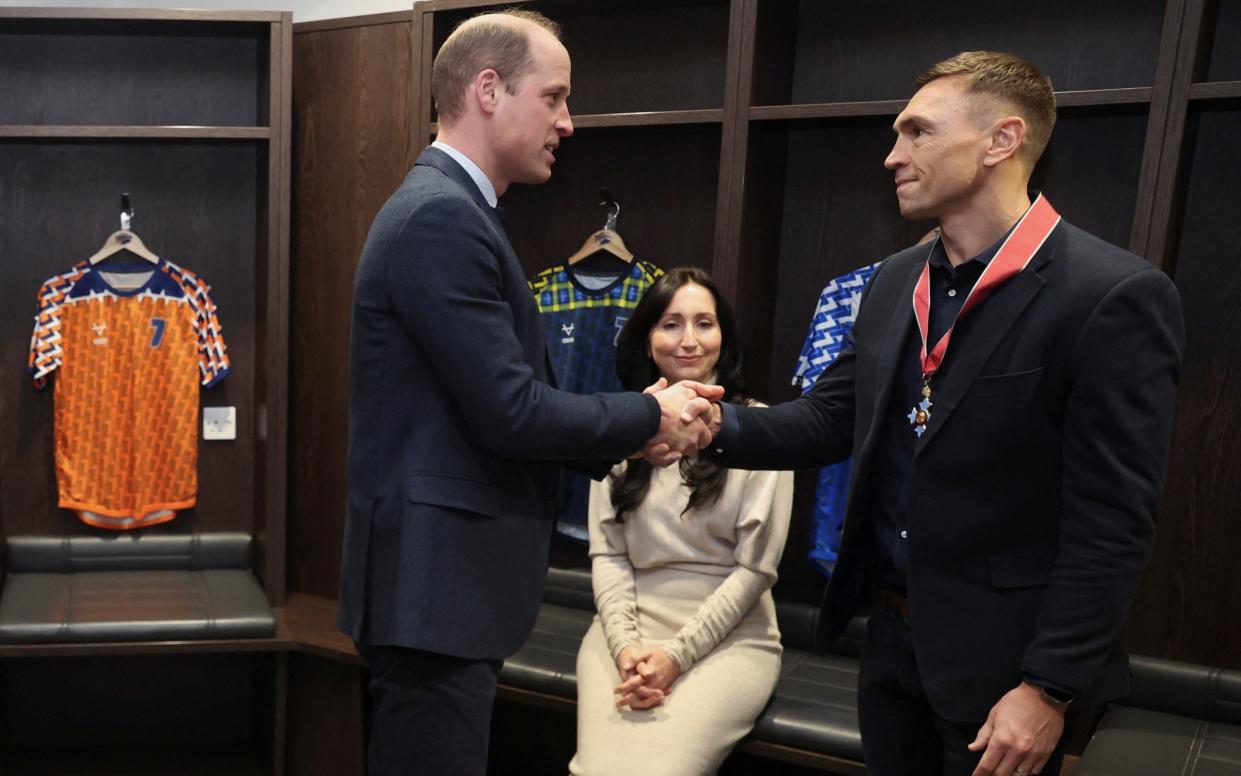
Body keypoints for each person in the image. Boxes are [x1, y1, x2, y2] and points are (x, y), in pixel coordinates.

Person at [702, 51, 1184, 776]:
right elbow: (827, 419)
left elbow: (1112, 521)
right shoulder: (896, 282)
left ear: (1001, 141)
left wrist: (1047, 689)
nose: (893, 155)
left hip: (1007, 674)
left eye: (917, 133)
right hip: (890, 645)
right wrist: (701, 425)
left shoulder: (1111, 296)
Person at [337, 11, 719, 776]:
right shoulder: (442, 216)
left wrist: (628, 433)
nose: (567, 123)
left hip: (440, 589)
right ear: (488, 89)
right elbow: (509, 410)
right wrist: (652, 409)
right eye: (554, 98)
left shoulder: (455, 209)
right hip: (433, 591)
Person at [569, 267, 794, 776]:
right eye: (671, 324)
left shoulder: (761, 430)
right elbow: (607, 554)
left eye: (704, 324)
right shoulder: (618, 425)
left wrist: (675, 655)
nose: (689, 340)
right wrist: (626, 647)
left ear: (724, 338)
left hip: (730, 641)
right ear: (647, 339)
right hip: (622, 633)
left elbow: (755, 571)